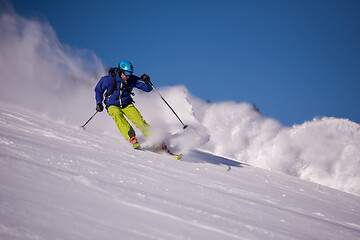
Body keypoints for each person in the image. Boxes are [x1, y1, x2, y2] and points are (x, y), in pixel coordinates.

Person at [94, 60, 157, 149]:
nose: (128, 76)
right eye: (126, 73)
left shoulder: (131, 79)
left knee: (139, 121)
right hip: (112, 104)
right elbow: (98, 90)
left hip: (127, 104)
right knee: (116, 114)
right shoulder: (108, 79)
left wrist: (146, 81)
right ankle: (132, 137)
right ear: (120, 71)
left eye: (130, 73)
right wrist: (99, 103)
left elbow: (148, 89)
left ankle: (155, 139)